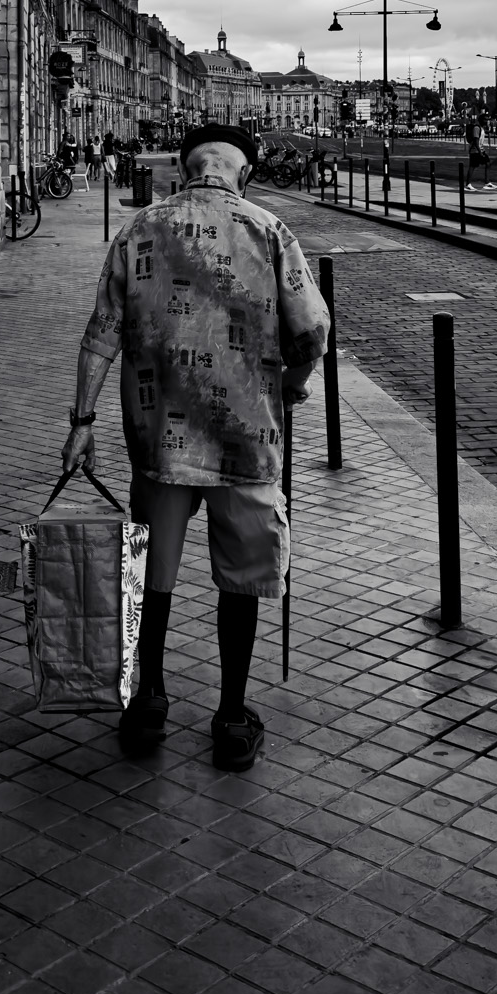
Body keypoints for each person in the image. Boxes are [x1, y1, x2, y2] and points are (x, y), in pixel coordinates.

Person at [62, 123, 332, 770]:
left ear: (186, 168)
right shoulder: (269, 230)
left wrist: (81, 421)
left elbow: (100, 333)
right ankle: (232, 715)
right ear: (246, 172)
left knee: (153, 567)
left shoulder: (139, 229)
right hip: (248, 439)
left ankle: (148, 699)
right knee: (241, 576)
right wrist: (292, 387)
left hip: (159, 439)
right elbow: (313, 328)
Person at [465, 110, 492, 191]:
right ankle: (468, 184)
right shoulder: (477, 128)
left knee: (487, 163)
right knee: (472, 166)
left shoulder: (481, 128)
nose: (487, 121)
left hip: (480, 150)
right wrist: (480, 152)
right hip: (475, 150)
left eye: (487, 119)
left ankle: (487, 182)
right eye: (485, 119)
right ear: (481, 120)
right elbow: (476, 141)